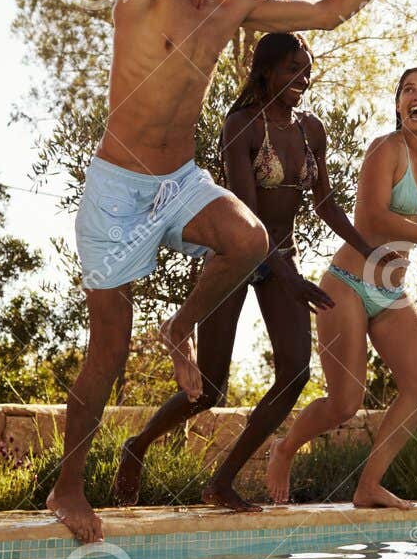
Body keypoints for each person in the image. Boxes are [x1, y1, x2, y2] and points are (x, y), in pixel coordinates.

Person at [47, 0, 417, 542]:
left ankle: (182, 327)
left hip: (180, 178)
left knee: (250, 237)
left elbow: (326, 13)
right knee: (105, 348)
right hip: (117, 186)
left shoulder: (233, 7)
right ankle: (68, 485)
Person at [112, 32, 376, 512]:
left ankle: (222, 482)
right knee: (210, 387)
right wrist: (288, 277)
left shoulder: (310, 129)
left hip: (283, 259)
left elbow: (326, 203)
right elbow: (249, 222)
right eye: (293, 69)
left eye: (307, 71)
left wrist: (370, 248)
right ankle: (139, 444)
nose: (303, 79)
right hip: (237, 257)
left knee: (295, 373)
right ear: (266, 71)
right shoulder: (243, 125)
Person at [265, 68, 417, 510]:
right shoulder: (385, 149)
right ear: (398, 105)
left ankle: (368, 486)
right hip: (349, 284)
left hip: (390, 292)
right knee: (345, 403)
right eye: (409, 90)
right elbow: (371, 218)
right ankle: (284, 449)